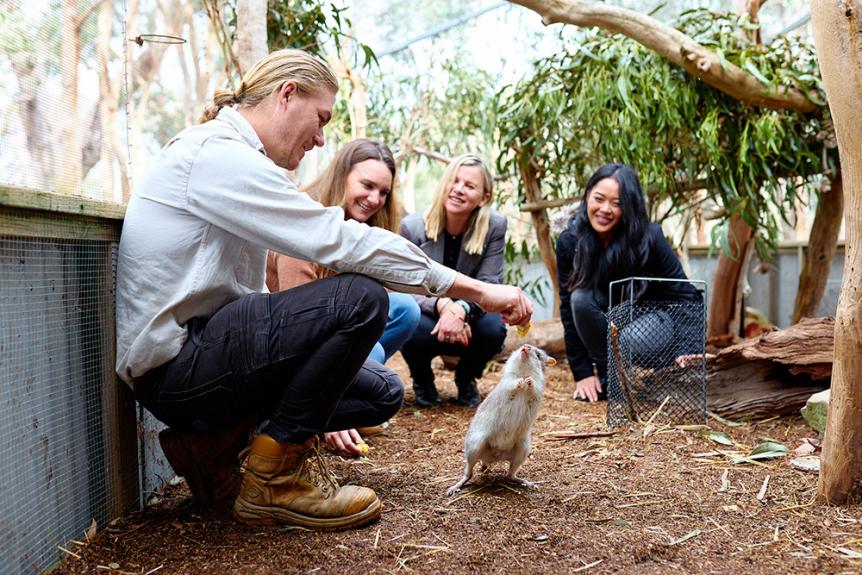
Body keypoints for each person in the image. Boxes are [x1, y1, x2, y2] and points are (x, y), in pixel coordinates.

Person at [115, 49, 532, 531]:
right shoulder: (216, 155)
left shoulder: (237, 158)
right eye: (320, 119)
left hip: (203, 357)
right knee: (361, 299)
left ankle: (209, 450)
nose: (319, 138)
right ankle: (272, 481)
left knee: (378, 391)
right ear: (286, 95)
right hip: (177, 369)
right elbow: (338, 241)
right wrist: (477, 291)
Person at [265, 138, 420, 456]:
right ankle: (331, 410)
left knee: (405, 309)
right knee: (372, 352)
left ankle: (348, 397)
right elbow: (299, 333)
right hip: (282, 349)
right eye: (367, 185)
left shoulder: (360, 226)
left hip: (328, 330)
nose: (375, 198)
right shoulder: (305, 223)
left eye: (384, 192)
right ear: (341, 176)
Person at [555, 163, 700, 403]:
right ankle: (610, 378)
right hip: (606, 323)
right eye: (599, 199)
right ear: (587, 196)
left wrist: (688, 348)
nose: (605, 209)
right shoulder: (571, 241)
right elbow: (567, 308)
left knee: (626, 339)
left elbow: (686, 295)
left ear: (630, 207)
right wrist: (581, 373)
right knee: (579, 300)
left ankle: (615, 374)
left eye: (617, 203)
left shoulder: (650, 237)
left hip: (653, 322)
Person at [399, 154, 508, 408]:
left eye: (469, 186)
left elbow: (491, 282)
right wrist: (444, 306)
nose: (458, 189)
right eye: (454, 181)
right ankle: (422, 379)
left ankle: (466, 377)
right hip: (429, 313)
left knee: (494, 326)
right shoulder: (412, 227)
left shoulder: (495, 226)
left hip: (470, 315)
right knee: (407, 319)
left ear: (484, 197)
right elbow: (405, 285)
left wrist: (462, 309)